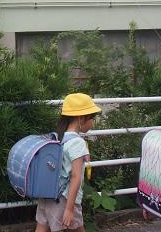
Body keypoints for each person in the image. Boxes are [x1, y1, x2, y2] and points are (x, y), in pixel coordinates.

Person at [35, 93, 101, 232]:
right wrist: (69, 209)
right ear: (81, 118)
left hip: (48, 194)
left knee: (42, 227)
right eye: (92, 118)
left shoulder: (58, 137)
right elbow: (76, 177)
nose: (92, 123)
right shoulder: (77, 142)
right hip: (65, 199)